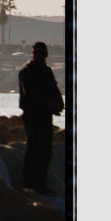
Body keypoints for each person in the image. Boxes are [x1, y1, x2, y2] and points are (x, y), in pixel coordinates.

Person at [17, 41, 64, 192]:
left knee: (45, 150)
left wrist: (58, 104)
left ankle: (41, 183)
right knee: (34, 148)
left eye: (41, 54)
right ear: (33, 55)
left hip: (45, 115)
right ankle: (30, 184)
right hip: (33, 115)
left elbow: (54, 90)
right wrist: (50, 104)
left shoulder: (46, 71)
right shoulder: (26, 72)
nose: (39, 56)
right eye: (37, 53)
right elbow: (30, 94)